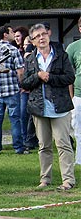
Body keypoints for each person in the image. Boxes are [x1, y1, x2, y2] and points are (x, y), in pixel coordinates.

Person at [20, 24, 75, 190]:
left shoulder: (61, 55)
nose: (41, 38)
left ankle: (68, 180)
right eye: (37, 36)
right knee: (44, 146)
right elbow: (24, 83)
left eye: (44, 34)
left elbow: (69, 78)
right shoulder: (29, 59)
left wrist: (50, 77)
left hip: (59, 106)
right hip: (39, 107)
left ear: (49, 35)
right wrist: (38, 76)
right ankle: (45, 179)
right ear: (33, 41)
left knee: (63, 144)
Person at [0, 25, 25, 155]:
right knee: (15, 119)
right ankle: (18, 147)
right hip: (11, 89)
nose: (13, 34)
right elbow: (20, 71)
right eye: (11, 32)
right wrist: (21, 85)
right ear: (5, 34)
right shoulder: (13, 50)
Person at [66, 17, 81, 166]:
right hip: (79, 95)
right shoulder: (73, 47)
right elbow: (69, 74)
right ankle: (79, 159)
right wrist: (71, 96)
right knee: (78, 129)